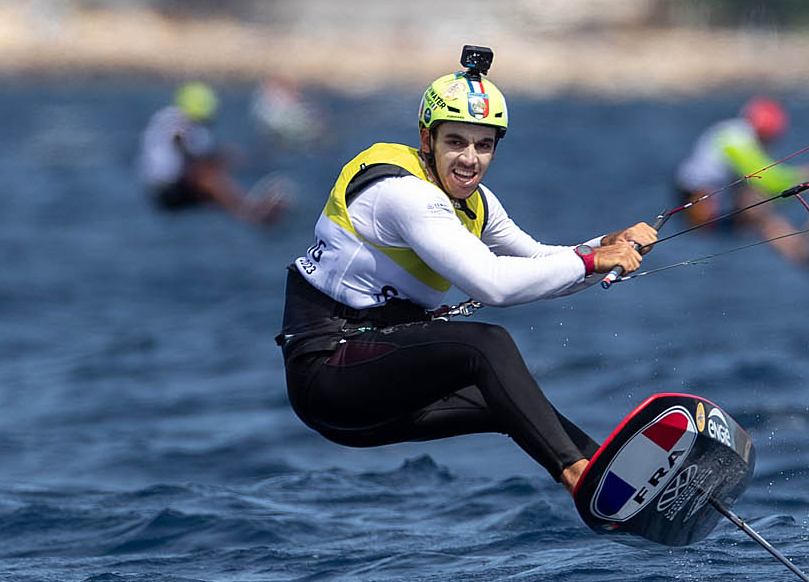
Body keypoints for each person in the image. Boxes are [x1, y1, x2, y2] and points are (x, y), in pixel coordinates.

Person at [275, 46, 659, 493]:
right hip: (329, 377)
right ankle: (580, 477)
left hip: (378, 379)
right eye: (455, 141)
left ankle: (612, 483)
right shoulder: (403, 194)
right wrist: (593, 261)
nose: (469, 159)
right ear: (427, 140)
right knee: (487, 345)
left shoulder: (476, 203)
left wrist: (607, 245)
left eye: (484, 145)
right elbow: (494, 285)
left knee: (510, 401)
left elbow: (538, 261)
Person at [673, 97, 809, 264]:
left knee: (758, 206)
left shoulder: (738, 133)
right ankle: (798, 251)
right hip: (693, 200)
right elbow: (767, 179)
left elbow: (769, 184)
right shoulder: (736, 138)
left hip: (717, 196)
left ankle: (799, 250)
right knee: (756, 207)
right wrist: (800, 178)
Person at [137, 81, 285, 226]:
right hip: (166, 191)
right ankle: (249, 211)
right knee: (207, 175)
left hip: (166, 189)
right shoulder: (177, 120)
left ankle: (242, 205)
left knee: (215, 167)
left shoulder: (170, 119)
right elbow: (180, 141)